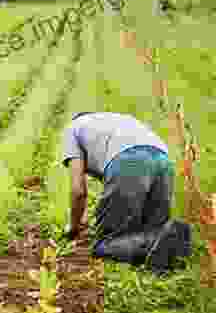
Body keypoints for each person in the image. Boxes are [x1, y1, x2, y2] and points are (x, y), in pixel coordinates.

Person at [62, 111, 192, 273]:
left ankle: (157, 242)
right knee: (153, 230)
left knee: (104, 245)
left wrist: (73, 227)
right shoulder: (116, 120)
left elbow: (78, 191)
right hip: (163, 161)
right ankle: (170, 248)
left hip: (128, 161)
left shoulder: (72, 129)